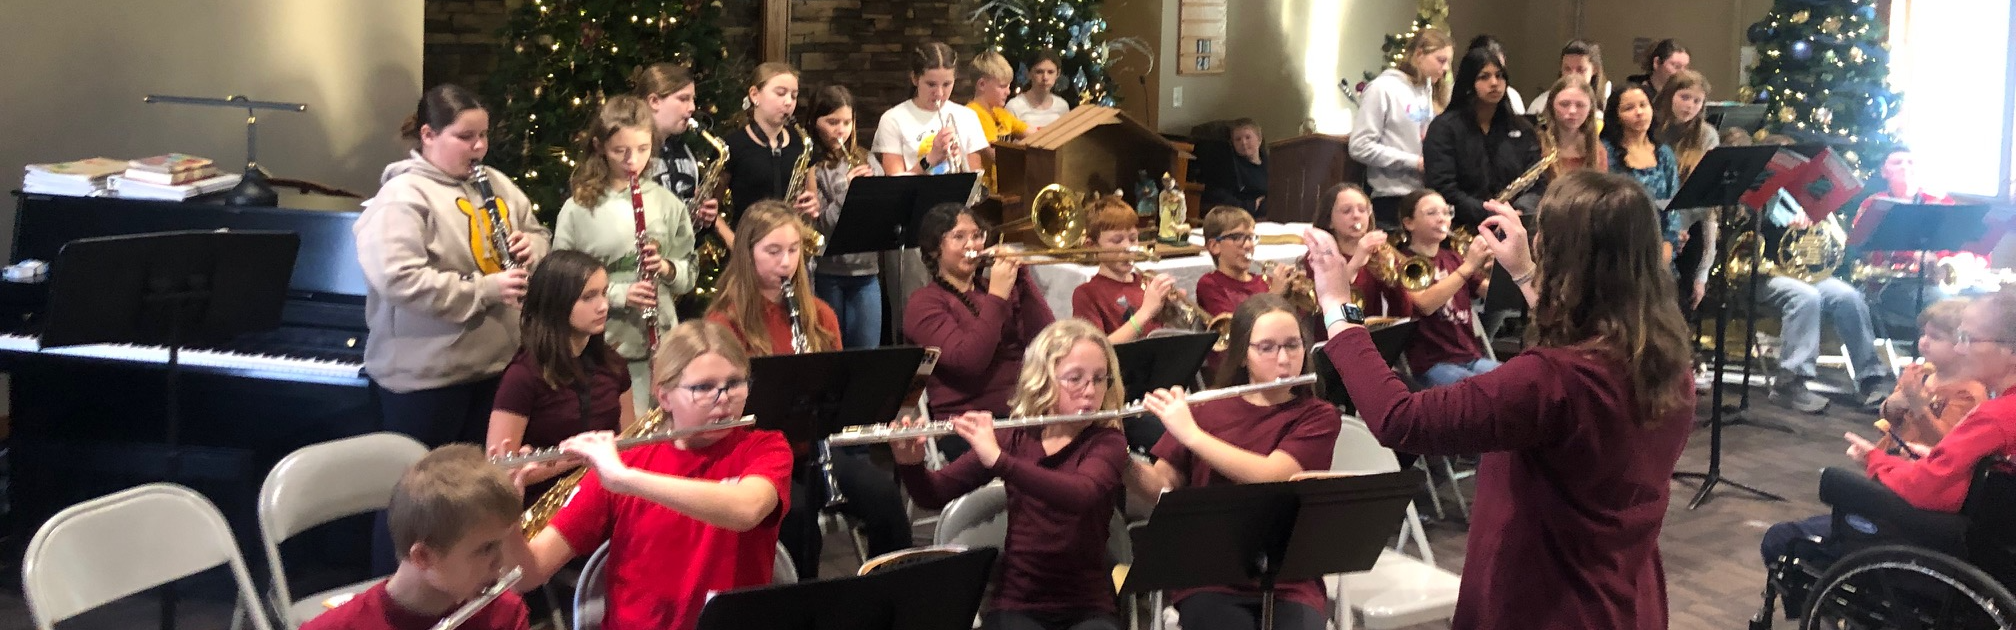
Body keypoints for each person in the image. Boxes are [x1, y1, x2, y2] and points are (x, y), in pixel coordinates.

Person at [1306, 170, 1697, 629]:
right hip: (1626, 595)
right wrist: (1524, 273)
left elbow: (1399, 419)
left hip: (1547, 602)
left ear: (1567, 257)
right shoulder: (1666, 360)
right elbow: (1582, 331)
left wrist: (1337, 308)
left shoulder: (1551, 380)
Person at [505, 320, 792, 630]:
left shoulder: (765, 447)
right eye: (704, 387)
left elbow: (746, 509)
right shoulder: (628, 461)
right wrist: (506, 511)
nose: (723, 398)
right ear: (664, 395)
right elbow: (528, 574)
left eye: (735, 383)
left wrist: (627, 479)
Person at [703, 201, 910, 578]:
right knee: (797, 517)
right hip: (758, 455)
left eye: (794, 250)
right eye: (773, 251)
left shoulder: (819, 315)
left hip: (814, 449)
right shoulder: (724, 323)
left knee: (883, 495)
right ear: (747, 254)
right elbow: (720, 408)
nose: (786, 262)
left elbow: (841, 392)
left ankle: (887, 599)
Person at [894, 318, 1132, 630]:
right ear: (1044, 380)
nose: (1090, 391)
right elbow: (932, 494)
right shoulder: (1016, 437)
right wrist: (910, 463)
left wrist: (998, 460)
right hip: (1018, 603)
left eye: (1099, 379)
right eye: (1075, 379)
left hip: (1088, 605)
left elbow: (1079, 494)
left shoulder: (1108, 441)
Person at [1125, 294, 1341, 630]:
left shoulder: (1318, 415)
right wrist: (1117, 455)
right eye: (1267, 347)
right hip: (1210, 575)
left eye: (1292, 345)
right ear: (1242, 353)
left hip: (1289, 578)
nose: (1283, 359)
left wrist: (1192, 434)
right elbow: (1161, 488)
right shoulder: (1205, 409)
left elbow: (1273, 477)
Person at [1759, 289, 2016, 570]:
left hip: (1947, 536)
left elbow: (1928, 490)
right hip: (1981, 532)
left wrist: (1875, 460)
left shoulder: (1995, 416)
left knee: (1782, 537)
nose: (1960, 348)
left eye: (1969, 339)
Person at [357, 83, 552, 448]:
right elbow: (399, 280)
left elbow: (537, 232)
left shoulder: (495, 184)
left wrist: (533, 247)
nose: (479, 146)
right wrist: (487, 289)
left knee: (477, 489)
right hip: (426, 380)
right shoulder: (402, 197)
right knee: (422, 494)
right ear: (428, 135)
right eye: (465, 137)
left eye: (483, 135)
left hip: (496, 368)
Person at [554, 95, 692, 409]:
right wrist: (618, 294)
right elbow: (561, 283)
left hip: (660, 348)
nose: (633, 161)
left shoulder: (667, 203)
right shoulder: (578, 208)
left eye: (643, 150)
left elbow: (689, 274)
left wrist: (667, 268)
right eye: (621, 151)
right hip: (605, 347)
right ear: (599, 147)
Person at [303, 445, 528, 630]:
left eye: (501, 543)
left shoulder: (503, 614)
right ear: (423, 556)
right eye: (486, 548)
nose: (500, 562)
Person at [487, 251, 637, 504]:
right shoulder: (523, 376)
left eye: (604, 292)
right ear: (557, 303)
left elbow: (629, 440)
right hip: (544, 507)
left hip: (605, 497)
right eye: (588, 297)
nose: (603, 305)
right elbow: (500, 471)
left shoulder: (612, 364)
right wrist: (584, 455)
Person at [904, 203, 1055, 420]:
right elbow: (968, 362)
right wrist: (997, 296)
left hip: (1022, 411)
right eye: (959, 237)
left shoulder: (992, 288)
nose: (972, 244)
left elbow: (1047, 341)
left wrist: (1023, 278)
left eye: (977, 235)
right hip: (966, 421)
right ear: (935, 249)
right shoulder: (924, 303)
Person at [1756, 186, 1896, 413]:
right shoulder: (1756, 188)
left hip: (1802, 271)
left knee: (1849, 297)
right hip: (1763, 272)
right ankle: (1790, 383)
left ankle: (1870, 378)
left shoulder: (1802, 193)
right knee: (1805, 297)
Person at [1379, 190, 1498, 386]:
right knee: (1479, 392)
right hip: (1430, 364)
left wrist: (1501, 269)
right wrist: (1468, 267)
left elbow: (1495, 295)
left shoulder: (1453, 258)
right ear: (1409, 223)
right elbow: (1425, 304)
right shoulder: (1401, 262)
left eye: (1446, 212)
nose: (1441, 218)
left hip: (1471, 356)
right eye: (1432, 213)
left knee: (1516, 383)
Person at [802, 84, 887, 350]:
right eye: (832, 122)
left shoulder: (867, 159)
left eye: (847, 122)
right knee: (832, 350)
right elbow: (822, 225)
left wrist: (876, 192)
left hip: (867, 271)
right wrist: (845, 191)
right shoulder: (812, 167)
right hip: (829, 272)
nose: (841, 130)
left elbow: (884, 212)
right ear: (815, 123)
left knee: (866, 351)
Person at [1424, 46, 1544, 229]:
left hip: (1514, 224)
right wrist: (1488, 213)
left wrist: (1519, 209)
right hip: (1460, 227)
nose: (1494, 83)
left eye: (1500, 76)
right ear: (1468, 82)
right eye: (1484, 77)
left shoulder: (1522, 129)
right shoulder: (1444, 128)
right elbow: (1443, 187)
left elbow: (1538, 182)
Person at [1351, 27, 1454, 228]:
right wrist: (1414, 162)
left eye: (1449, 62)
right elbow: (1360, 146)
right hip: (1392, 198)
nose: (1446, 69)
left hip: (1427, 198)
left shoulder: (1430, 93)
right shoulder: (1383, 88)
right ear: (1419, 54)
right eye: (1441, 60)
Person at [722, 62, 820, 251]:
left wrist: (811, 205)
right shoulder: (734, 144)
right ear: (754, 95)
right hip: (748, 247)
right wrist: (733, 242)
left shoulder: (802, 143)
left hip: (790, 246)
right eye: (780, 93)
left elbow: (812, 198)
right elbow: (712, 208)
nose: (789, 102)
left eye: (794, 95)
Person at [1652, 70, 1720, 309]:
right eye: (1684, 97)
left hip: (1690, 229)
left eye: (1697, 101)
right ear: (1669, 95)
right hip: (1652, 227)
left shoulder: (1706, 136)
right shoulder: (1652, 132)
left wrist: (1703, 275)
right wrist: (1669, 231)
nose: (1690, 106)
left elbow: (1706, 205)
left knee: (1682, 302)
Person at [1070, 195, 1179, 343]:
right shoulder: (1086, 294)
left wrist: (1170, 310)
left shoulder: (1145, 283)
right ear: (1092, 245)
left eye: (1133, 238)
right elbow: (1098, 349)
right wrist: (1146, 311)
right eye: (1117, 240)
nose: (1128, 247)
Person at [1877, 299, 1985, 447]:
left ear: (1964, 345)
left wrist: (1917, 405)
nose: (1923, 341)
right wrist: (1893, 404)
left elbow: (1944, 443)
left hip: (1924, 464)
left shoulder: (1968, 392)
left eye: (1935, 337)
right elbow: (1889, 418)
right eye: (1924, 334)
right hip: (1893, 456)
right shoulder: (1921, 375)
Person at [874, 42, 990, 176]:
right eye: (931, 84)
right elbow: (894, 185)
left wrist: (960, 161)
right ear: (915, 79)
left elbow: (974, 181)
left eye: (947, 84)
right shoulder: (892, 119)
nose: (940, 93)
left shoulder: (968, 117)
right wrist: (931, 159)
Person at [634, 63, 721, 232]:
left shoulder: (683, 150)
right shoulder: (630, 152)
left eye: (692, 99)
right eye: (683, 99)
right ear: (654, 101)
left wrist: (702, 218)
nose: (692, 108)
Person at [1601, 82, 1679, 257]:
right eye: (1629, 108)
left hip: (1660, 244)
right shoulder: (1605, 152)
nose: (1639, 112)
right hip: (1620, 246)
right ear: (1617, 116)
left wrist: (1667, 247)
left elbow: (1673, 205)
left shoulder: (1664, 153)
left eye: (1643, 105)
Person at [1308, 183, 1400, 319]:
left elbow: (1402, 309)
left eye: (1362, 210)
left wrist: (1395, 278)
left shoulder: (1378, 255)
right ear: (1329, 221)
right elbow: (1324, 306)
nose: (1356, 216)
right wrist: (1357, 260)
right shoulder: (1318, 256)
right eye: (1346, 211)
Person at [1194, 206, 1292, 318]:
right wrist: (1274, 296)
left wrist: (1292, 295)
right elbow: (1238, 328)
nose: (1248, 245)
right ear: (1214, 246)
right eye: (1237, 237)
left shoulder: (1265, 282)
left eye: (1250, 238)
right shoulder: (1210, 284)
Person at [967, 50, 1030, 193]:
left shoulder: (1001, 114)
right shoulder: (972, 113)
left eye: (1008, 86)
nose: (1008, 92)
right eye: (1002, 86)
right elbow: (997, 156)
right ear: (982, 84)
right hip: (983, 193)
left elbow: (1032, 133)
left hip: (1002, 189)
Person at [1537, 76, 1608, 176]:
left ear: (1590, 109)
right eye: (1564, 104)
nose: (1572, 111)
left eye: (1580, 105)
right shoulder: (1535, 144)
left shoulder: (1597, 150)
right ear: (1551, 105)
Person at [1200, 118, 1270, 219]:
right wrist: (1251, 205)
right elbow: (1218, 195)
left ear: (1259, 139)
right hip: (1241, 215)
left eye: (1248, 137)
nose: (1243, 143)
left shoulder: (1272, 164)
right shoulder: (1228, 166)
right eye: (1238, 139)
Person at [1527, 39, 1612, 119]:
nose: (1573, 75)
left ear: (1594, 70)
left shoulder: (1608, 103)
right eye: (1567, 69)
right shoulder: (1541, 104)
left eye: (1580, 70)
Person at [1006, 50, 1073, 131]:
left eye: (1050, 72)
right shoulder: (1014, 106)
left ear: (1058, 74)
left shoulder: (1062, 106)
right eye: (1039, 72)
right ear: (1029, 73)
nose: (1045, 77)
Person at [1464, 34, 1526, 115]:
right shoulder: (1452, 99)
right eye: (1484, 76)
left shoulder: (1512, 96)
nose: (1494, 82)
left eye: (1499, 74)